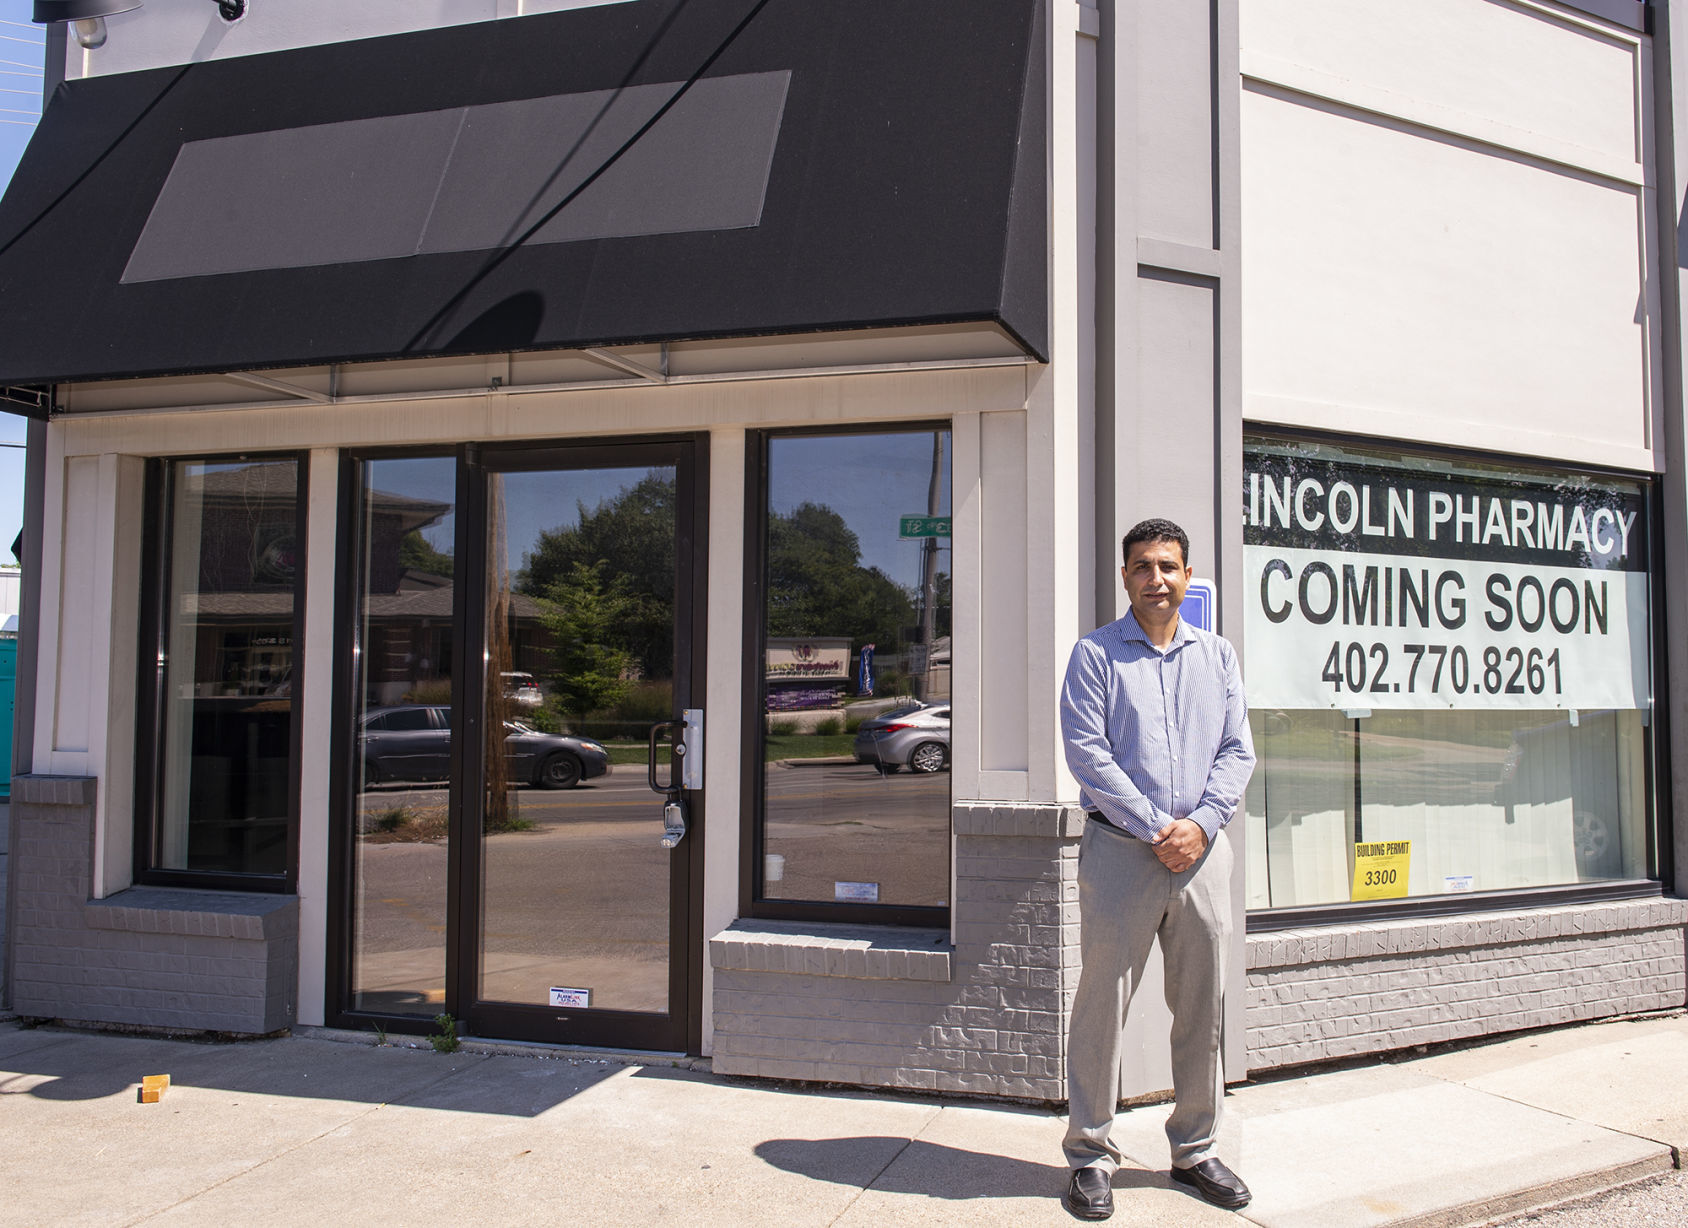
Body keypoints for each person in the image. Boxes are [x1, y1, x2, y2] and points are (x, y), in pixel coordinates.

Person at [1059, 518, 1257, 1220]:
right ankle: (1088, 1153)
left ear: (1187, 574)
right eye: (1143, 566)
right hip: (1121, 854)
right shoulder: (1096, 656)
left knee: (1202, 1007)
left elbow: (1238, 752)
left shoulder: (1218, 657)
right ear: (1126, 578)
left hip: (1203, 856)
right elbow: (1088, 753)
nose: (1157, 579)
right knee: (1101, 1006)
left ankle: (1195, 1149)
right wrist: (1157, 828)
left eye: (1169, 566)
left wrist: (1199, 826)